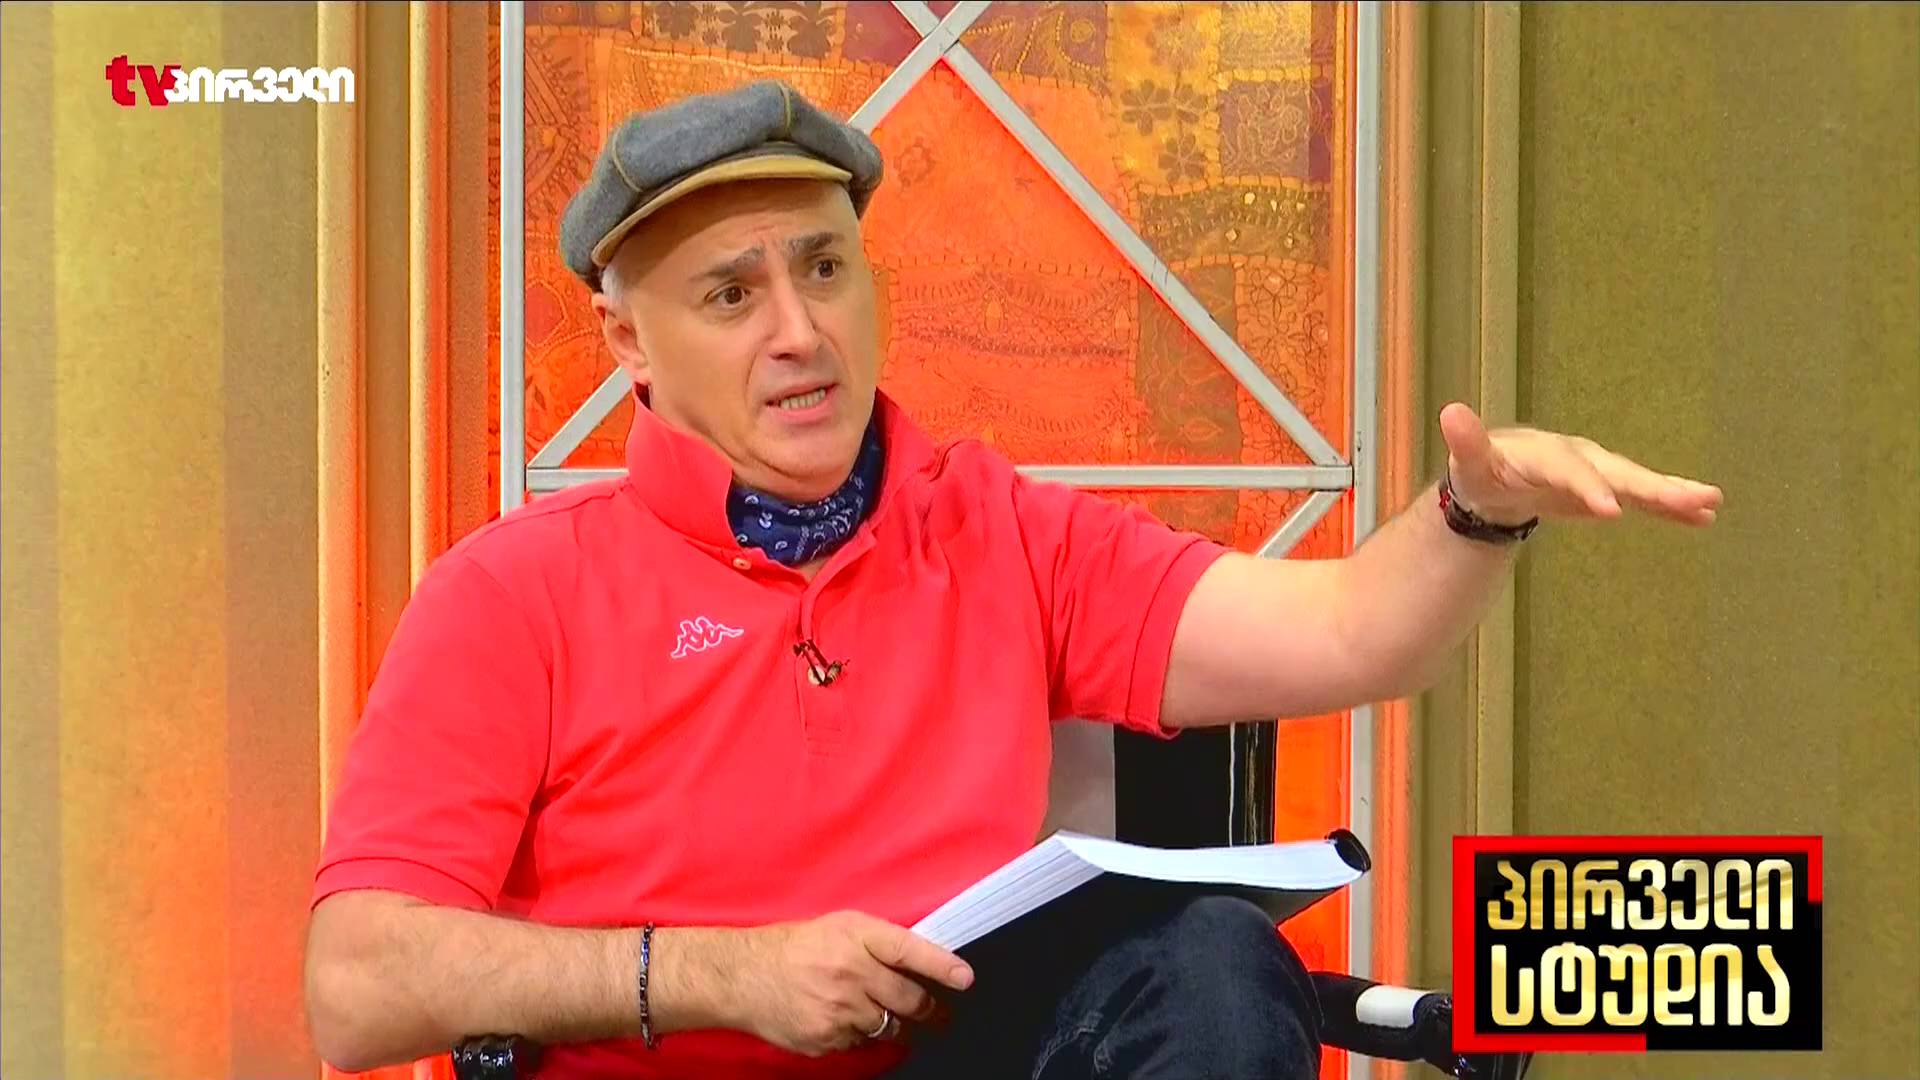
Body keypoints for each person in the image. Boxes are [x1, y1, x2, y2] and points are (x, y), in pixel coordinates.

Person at [302, 81, 1721, 1079]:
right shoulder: (511, 593)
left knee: (1214, 956)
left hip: (970, 1055)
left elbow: (1354, 633)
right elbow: (356, 984)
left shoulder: (997, 530)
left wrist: (1473, 513)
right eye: (731, 295)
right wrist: (721, 973)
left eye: (825, 269)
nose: (799, 331)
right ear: (627, 341)